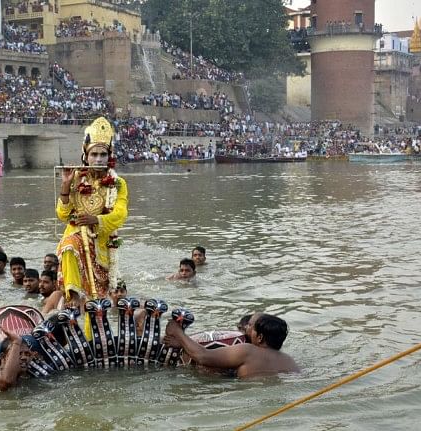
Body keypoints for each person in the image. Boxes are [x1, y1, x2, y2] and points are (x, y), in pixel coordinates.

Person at [56, 117, 129, 311]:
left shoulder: (118, 183)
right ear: (86, 156)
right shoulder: (75, 178)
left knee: (96, 302)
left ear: (109, 156)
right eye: (94, 154)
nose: (98, 159)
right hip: (76, 236)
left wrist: (95, 219)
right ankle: (72, 296)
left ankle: (96, 338)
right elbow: (63, 215)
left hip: (102, 245)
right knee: (69, 246)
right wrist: (65, 185)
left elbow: (120, 215)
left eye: (103, 154)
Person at [163, 312, 300, 378]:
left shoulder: (249, 351)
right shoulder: (290, 361)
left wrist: (178, 332)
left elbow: (203, 356)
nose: (246, 329)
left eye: (251, 327)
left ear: (260, 337)